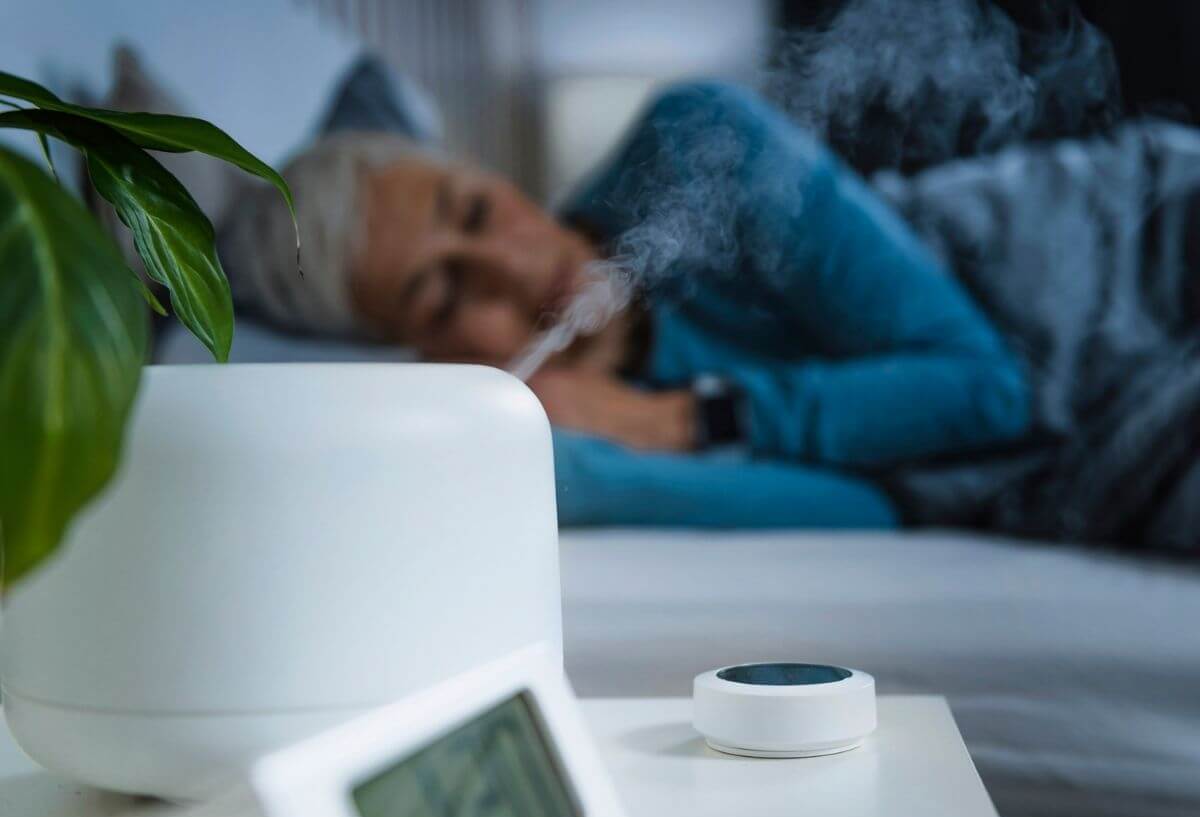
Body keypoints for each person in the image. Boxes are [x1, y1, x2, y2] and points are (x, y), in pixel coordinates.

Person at [224, 81, 1036, 531]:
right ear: (424, 357)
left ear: (488, 172)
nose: (511, 268)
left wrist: (678, 424)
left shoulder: (698, 149)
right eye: (442, 294)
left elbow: (989, 392)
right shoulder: (568, 449)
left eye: (474, 211)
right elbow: (873, 513)